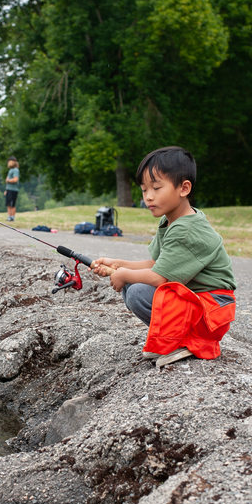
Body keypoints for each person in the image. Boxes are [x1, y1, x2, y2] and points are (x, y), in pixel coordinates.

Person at [90, 146, 237, 368]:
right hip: (196, 303)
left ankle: (187, 341)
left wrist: (123, 274)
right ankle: (176, 338)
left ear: (184, 188)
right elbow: (157, 265)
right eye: (144, 190)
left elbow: (160, 278)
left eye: (156, 188)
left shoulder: (187, 230)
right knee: (133, 286)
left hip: (212, 310)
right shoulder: (171, 222)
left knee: (138, 291)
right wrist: (118, 263)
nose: (148, 197)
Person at [4, 156, 19, 221]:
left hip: (13, 190)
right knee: (8, 204)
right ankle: (9, 216)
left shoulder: (16, 170)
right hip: (9, 189)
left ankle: (12, 217)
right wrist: (6, 190)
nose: (8, 163)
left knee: (12, 204)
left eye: (10, 161)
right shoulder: (10, 170)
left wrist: (8, 180)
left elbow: (16, 179)